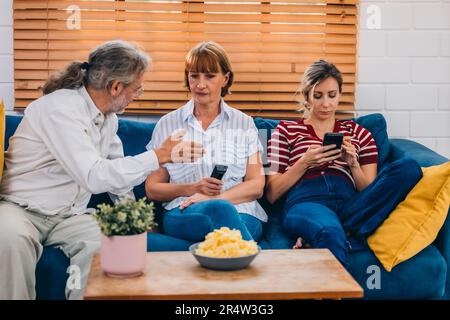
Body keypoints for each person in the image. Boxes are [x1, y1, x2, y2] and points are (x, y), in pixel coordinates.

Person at [0, 40, 203, 300]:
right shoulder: (58, 109)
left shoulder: (108, 118)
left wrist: (134, 218)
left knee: (108, 245)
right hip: (22, 209)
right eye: (136, 90)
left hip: (70, 216)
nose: (135, 96)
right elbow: (94, 177)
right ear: (116, 87)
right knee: (8, 240)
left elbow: (116, 178)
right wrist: (158, 155)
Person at [266, 60, 422, 269]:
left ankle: (328, 232)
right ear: (306, 96)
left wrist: (353, 165)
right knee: (329, 232)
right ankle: (349, 232)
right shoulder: (285, 131)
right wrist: (304, 163)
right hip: (307, 201)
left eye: (332, 95)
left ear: (339, 94)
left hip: (351, 201)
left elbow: (370, 193)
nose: (326, 104)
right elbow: (272, 193)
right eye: (317, 96)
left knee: (409, 168)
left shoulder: (360, 134)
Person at [146, 41, 267, 243]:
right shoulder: (167, 124)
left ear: (225, 78)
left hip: (243, 212)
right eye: (194, 76)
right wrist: (194, 188)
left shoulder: (246, 124)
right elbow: (152, 188)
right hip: (185, 212)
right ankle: (249, 261)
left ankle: (218, 253)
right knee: (220, 217)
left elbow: (256, 186)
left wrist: (214, 199)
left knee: (222, 210)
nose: (200, 84)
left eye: (210, 76)